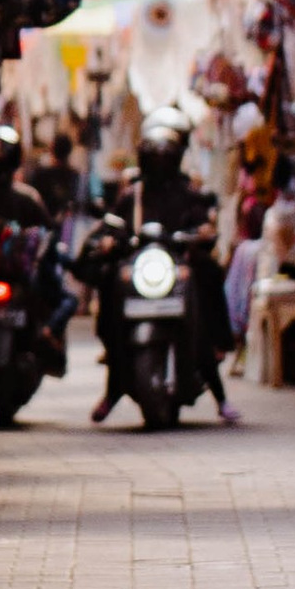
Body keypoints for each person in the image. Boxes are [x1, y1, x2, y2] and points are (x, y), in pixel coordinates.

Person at [91, 108, 238, 424]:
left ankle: (219, 389)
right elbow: (112, 226)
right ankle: (113, 380)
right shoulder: (133, 195)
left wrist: (201, 235)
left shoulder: (189, 194)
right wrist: (108, 241)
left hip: (176, 269)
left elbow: (204, 226)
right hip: (142, 270)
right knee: (109, 282)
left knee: (205, 284)